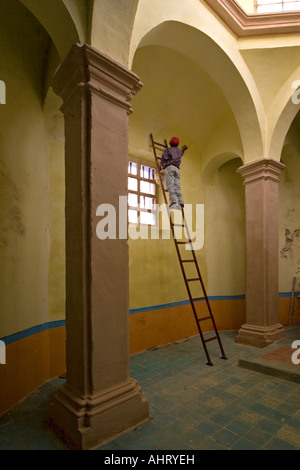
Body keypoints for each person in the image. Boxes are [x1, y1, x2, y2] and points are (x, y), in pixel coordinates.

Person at [160, 137, 188, 210]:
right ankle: (181, 202)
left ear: (170, 143)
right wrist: (183, 149)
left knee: (170, 186)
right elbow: (181, 153)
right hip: (177, 170)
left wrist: (160, 166)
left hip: (170, 168)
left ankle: (173, 202)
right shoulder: (179, 151)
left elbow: (163, 159)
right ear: (177, 144)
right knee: (177, 187)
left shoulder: (168, 150)